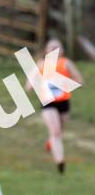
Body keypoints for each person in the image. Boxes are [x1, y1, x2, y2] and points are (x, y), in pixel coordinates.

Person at [24, 39, 84, 174]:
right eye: (52, 48)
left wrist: (63, 82)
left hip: (63, 102)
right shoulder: (41, 64)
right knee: (56, 131)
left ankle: (51, 143)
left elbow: (80, 81)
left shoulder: (66, 63)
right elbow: (28, 86)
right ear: (46, 51)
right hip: (48, 102)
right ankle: (60, 162)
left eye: (58, 48)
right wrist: (34, 84)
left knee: (59, 132)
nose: (55, 50)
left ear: (62, 51)